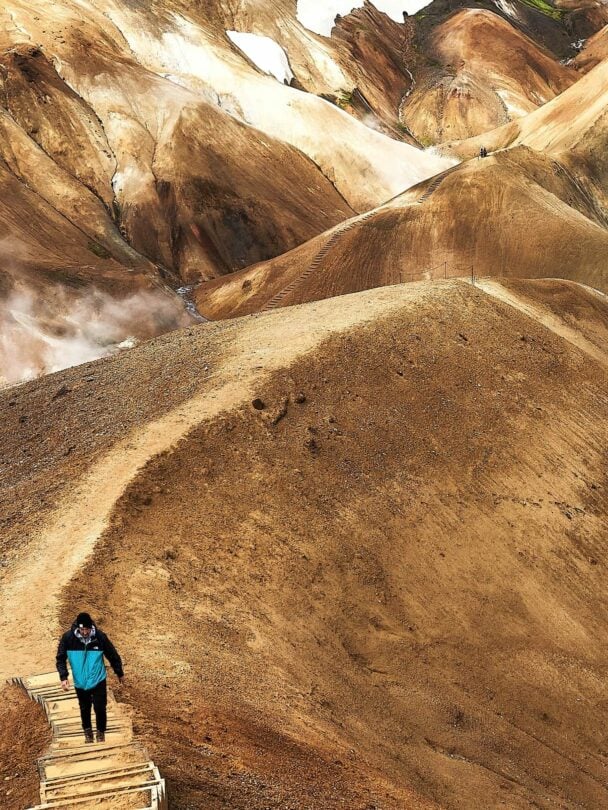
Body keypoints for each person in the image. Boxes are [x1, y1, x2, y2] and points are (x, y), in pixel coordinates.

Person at [56, 612, 124, 744]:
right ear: (78, 628)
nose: (85, 632)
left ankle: (100, 733)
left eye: (86, 629)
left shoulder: (99, 637)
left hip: (98, 678)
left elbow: (112, 654)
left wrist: (119, 672)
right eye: (82, 630)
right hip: (80, 680)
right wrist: (63, 677)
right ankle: (88, 734)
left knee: (100, 707)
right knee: (84, 708)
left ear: (90, 627)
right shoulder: (68, 638)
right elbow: (60, 659)